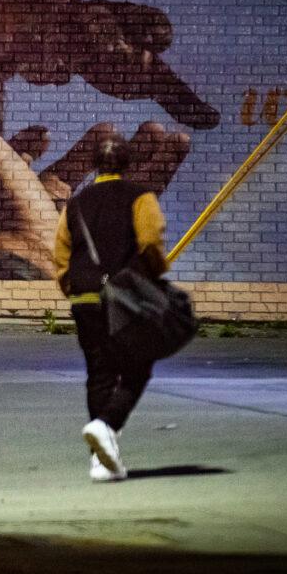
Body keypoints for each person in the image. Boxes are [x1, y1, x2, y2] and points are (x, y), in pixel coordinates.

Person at [52, 133, 169, 482]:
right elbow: (149, 241)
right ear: (127, 164)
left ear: (94, 166)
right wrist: (155, 273)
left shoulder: (76, 202)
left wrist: (71, 287)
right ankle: (107, 426)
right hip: (124, 295)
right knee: (138, 366)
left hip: (84, 296)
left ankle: (101, 461)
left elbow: (61, 253)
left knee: (99, 372)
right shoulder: (140, 197)